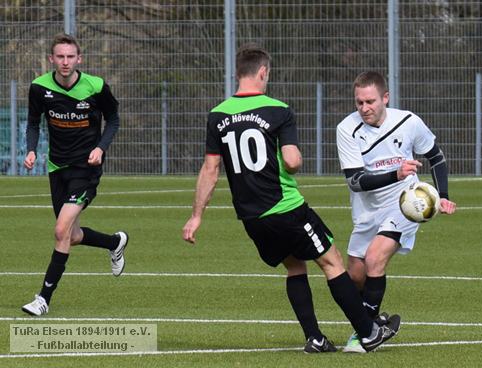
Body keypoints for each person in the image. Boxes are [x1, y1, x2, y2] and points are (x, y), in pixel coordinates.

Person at [182, 43, 400, 353]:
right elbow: (293, 162)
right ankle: (368, 332)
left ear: (236, 73)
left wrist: (196, 215)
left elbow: (210, 169)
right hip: (285, 207)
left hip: (251, 216)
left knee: (295, 267)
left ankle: (314, 337)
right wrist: (293, 154)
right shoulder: (278, 110)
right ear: (263, 72)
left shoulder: (217, 115)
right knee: (332, 261)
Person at [336, 71, 457, 353]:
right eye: (359, 103)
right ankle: (375, 320)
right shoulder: (347, 129)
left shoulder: (408, 121)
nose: (364, 108)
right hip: (367, 210)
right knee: (355, 275)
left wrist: (444, 196)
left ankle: (365, 334)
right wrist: (396, 172)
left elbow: (436, 157)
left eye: (370, 101)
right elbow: (356, 182)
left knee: (375, 259)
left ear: (385, 98)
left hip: (405, 204)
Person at [21, 33, 128, 316]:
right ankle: (115, 242)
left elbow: (114, 118)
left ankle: (43, 299)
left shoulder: (95, 87)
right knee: (73, 235)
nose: (65, 62)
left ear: (79, 59)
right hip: (57, 168)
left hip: (86, 169)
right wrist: (31, 151)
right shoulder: (39, 87)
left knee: (60, 230)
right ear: (51, 59)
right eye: (60, 57)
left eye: (70, 57)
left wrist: (101, 147)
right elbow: (33, 123)